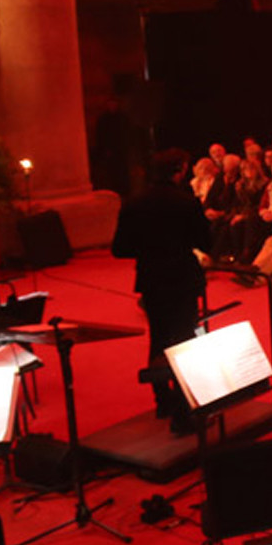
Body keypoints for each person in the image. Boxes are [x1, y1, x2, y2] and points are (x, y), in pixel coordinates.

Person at [110, 149, 209, 435]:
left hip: (151, 279)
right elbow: (205, 241)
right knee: (184, 344)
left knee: (158, 338)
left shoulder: (134, 203)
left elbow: (120, 249)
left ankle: (162, 399)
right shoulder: (186, 203)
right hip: (181, 279)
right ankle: (183, 412)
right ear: (179, 170)